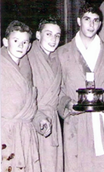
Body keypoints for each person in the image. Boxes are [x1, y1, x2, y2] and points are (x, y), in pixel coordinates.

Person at [57, 3, 104, 172]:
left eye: (96, 20)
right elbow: (59, 90)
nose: (91, 25)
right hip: (76, 123)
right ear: (78, 21)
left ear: (100, 24)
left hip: (102, 121)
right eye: (87, 19)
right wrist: (68, 104)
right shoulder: (63, 53)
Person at [1, 20, 49, 172]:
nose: (20, 46)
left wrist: (39, 118)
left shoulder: (27, 67)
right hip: (4, 136)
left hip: (25, 136)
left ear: (29, 46)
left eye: (24, 42)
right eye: (15, 41)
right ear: (5, 41)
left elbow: (28, 106)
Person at [28, 16, 63, 172]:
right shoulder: (26, 56)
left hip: (52, 121)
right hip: (31, 121)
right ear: (38, 35)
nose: (53, 39)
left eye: (57, 35)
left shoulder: (58, 59)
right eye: (48, 34)